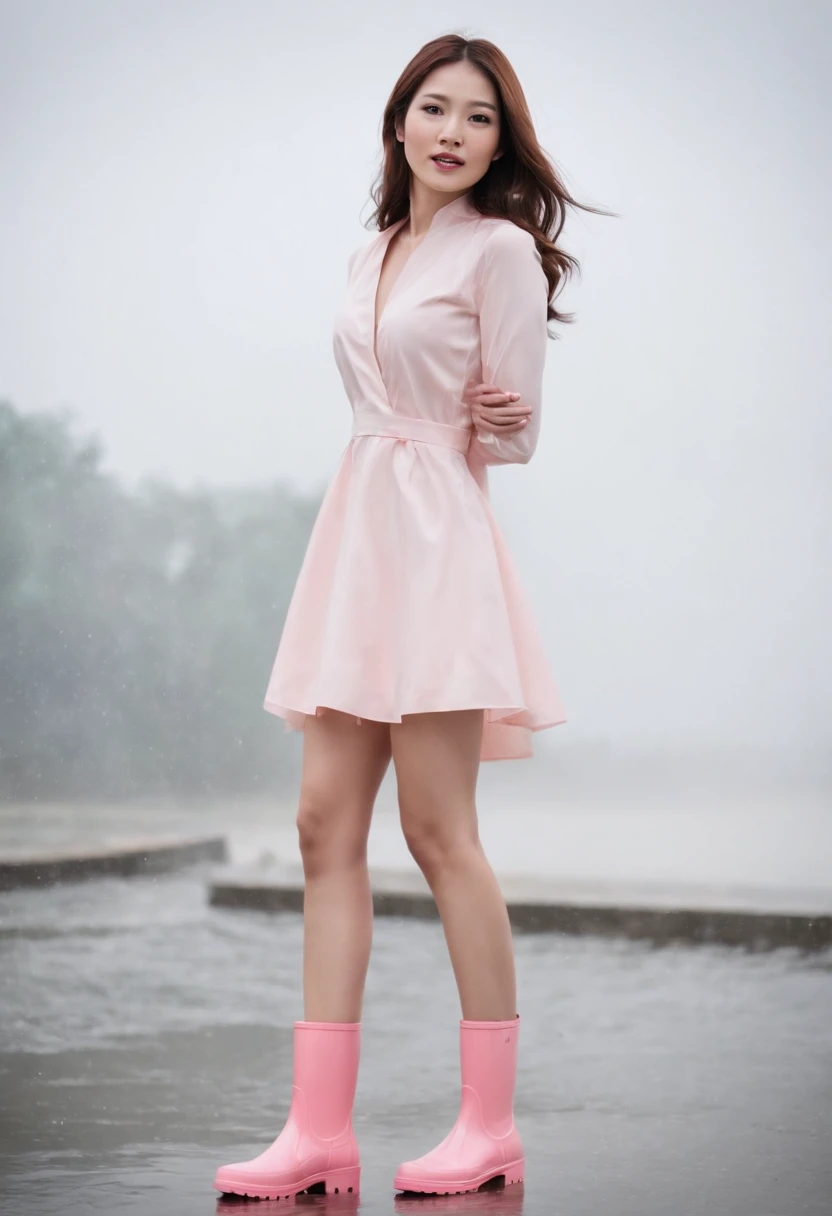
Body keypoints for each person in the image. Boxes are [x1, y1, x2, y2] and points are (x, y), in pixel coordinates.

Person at [214, 31, 603, 1203]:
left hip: (437, 543)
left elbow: (519, 430)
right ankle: (314, 1132)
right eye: (432, 109)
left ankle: (488, 1126)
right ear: (398, 124)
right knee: (321, 825)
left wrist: (495, 412)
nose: (450, 132)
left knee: (440, 832)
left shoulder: (499, 254)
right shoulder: (369, 250)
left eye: (477, 118)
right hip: (355, 536)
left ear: (500, 141)